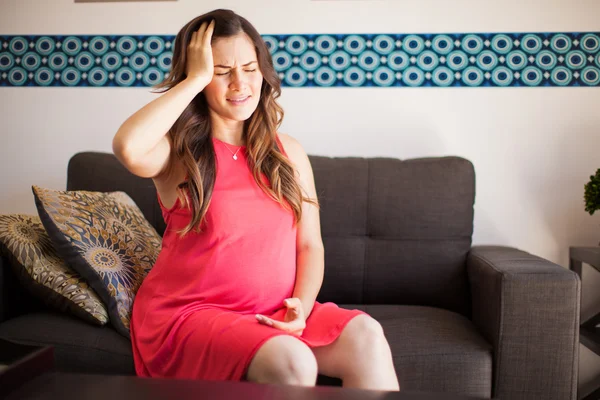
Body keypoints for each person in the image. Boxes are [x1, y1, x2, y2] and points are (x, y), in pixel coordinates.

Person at [112, 8, 399, 391]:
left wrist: (301, 306)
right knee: (292, 362)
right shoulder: (177, 156)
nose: (239, 83)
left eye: (249, 68)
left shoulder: (289, 152)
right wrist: (194, 78)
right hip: (193, 315)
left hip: (272, 315)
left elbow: (310, 245)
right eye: (220, 71)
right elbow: (127, 147)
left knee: (366, 335)